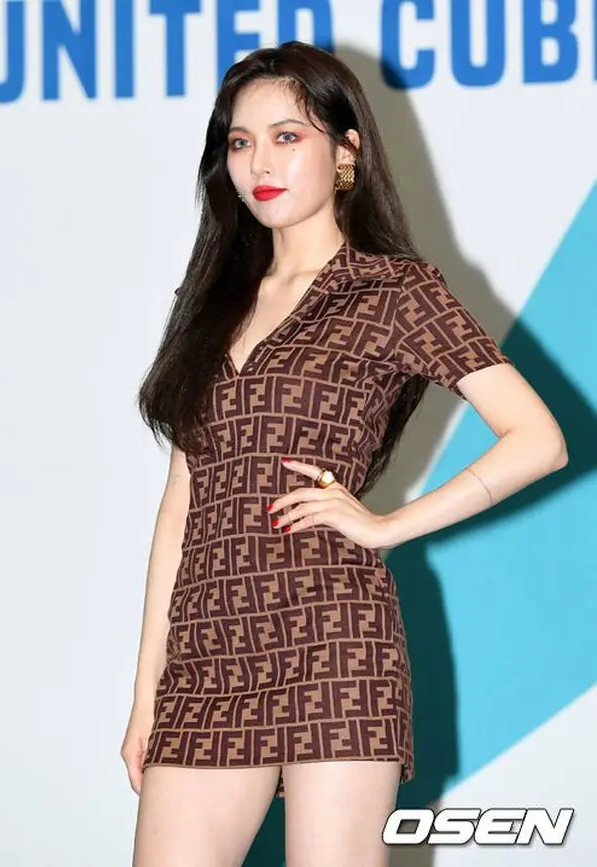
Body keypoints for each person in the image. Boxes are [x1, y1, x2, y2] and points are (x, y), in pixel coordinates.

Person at [121, 40, 568, 867]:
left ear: (346, 150)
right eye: (241, 142)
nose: (260, 162)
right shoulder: (210, 301)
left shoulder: (393, 291)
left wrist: (387, 525)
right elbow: (182, 501)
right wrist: (147, 690)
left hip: (334, 641)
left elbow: (538, 438)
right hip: (207, 657)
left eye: (288, 136)